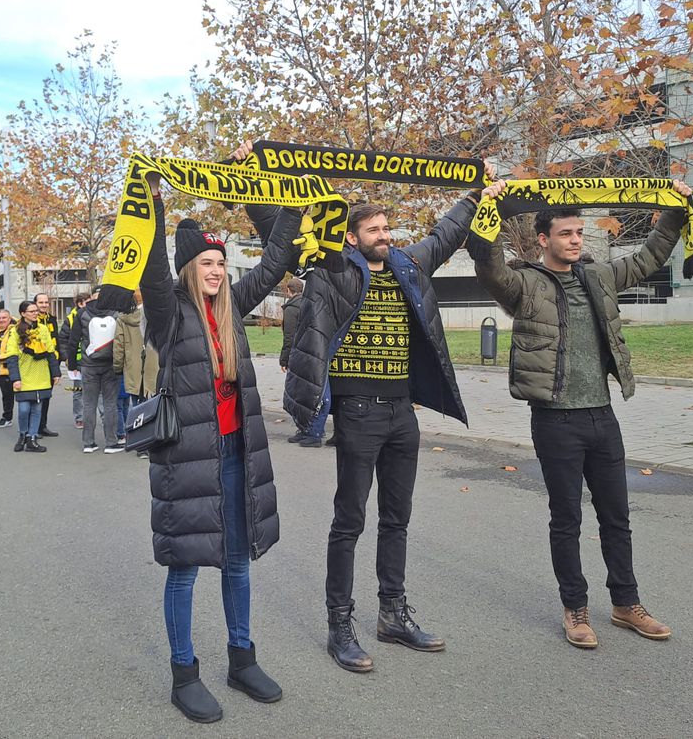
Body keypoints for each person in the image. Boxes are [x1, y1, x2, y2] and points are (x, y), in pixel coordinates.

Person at [277, 157, 504, 674]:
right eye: (374, 230)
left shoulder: (407, 265)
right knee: (349, 521)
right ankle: (339, 625)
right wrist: (274, 188)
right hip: (357, 413)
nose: (385, 235)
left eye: (386, 228)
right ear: (351, 238)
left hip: (404, 413)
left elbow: (445, 235)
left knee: (397, 518)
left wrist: (476, 194)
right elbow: (282, 241)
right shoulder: (334, 271)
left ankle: (392, 615)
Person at [470, 186, 693, 650]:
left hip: (602, 417)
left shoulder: (599, 276)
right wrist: (486, 209)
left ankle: (626, 604)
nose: (575, 240)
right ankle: (575, 608)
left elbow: (650, 257)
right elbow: (489, 267)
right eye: (565, 233)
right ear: (543, 239)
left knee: (617, 517)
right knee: (566, 519)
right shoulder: (524, 284)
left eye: (578, 232)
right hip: (556, 421)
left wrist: (673, 212)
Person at [140, 167, 302, 725]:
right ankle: (184, 674)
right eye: (205, 263)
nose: (215, 271)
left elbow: (276, 262)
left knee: (238, 561)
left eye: (220, 263)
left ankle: (242, 659)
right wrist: (154, 204)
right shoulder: (168, 311)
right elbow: (151, 269)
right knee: (185, 569)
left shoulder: (232, 304)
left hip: (237, 455)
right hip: (186, 461)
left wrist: (294, 201)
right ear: (189, 268)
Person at [67, 284, 133, 453]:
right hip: (111, 365)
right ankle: (111, 442)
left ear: (92, 296)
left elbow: (73, 341)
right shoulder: (116, 313)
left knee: (89, 404)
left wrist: (73, 365)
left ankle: (88, 443)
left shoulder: (82, 313)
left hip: (88, 365)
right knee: (110, 404)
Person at [2, 300, 60, 453]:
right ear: (23, 314)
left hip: (41, 375)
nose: (35, 313)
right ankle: (22, 434)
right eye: (32, 311)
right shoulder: (15, 331)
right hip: (24, 375)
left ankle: (31, 439)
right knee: (24, 409)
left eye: (36, 311)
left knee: (37, 409)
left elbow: (50, 351)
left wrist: (55, 373)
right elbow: (11, 356)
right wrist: (15, 378)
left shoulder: (43, 329)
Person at [113, 288, 160, 459]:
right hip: (155, 365)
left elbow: (119, 345)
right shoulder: (155, 314)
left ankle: (141, 445)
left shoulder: (122, 319)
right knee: (156, 403)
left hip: (133, 366)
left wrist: (118, 366)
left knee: (137, 406)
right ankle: (156, 439)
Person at [278, 278, 307, 443]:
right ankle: (311, 427)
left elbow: (289, 337)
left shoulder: (291, 309)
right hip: (309, 352)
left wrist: (284, 360)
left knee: (294, 393)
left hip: (296, 354)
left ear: (289, 290)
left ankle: (303, 427)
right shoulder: (308, 304)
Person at [58, 291, 91, 429]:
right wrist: (66, 358)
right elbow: (63, 339)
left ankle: (96, 417)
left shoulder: (93, 315)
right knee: (79, 390)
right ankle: (80, 417)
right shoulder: (70, 319)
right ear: (80, 304)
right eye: (87, 302)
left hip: (92, 359)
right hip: (77, 360)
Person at [32, 292, 60, 439]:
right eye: (41, 302)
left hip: (51, 362)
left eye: (46, 302)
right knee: (34, 397)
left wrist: (59, 359)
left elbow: (57, 340)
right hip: (35, 364)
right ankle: (32, 428)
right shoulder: (31, 320)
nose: (44, 305)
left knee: (46, 396)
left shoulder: (52, 319)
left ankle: (42, 426)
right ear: (35, 304)